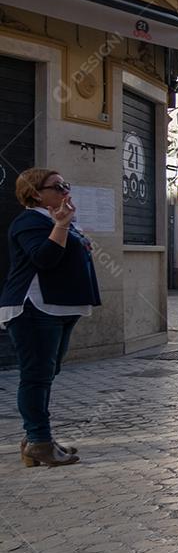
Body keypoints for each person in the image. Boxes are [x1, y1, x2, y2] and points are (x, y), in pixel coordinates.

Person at [0, 169, 101, 467]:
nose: (64, 190)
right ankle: (39, 441)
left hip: (60, 306)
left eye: (65, 184)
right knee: (36, 376)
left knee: (47, 373)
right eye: (57, 186)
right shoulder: (29, 221)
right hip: (34, 307)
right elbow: (43, 258)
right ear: (35, 193)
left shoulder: (55, 221)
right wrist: (61, 225)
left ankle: (36, 439)